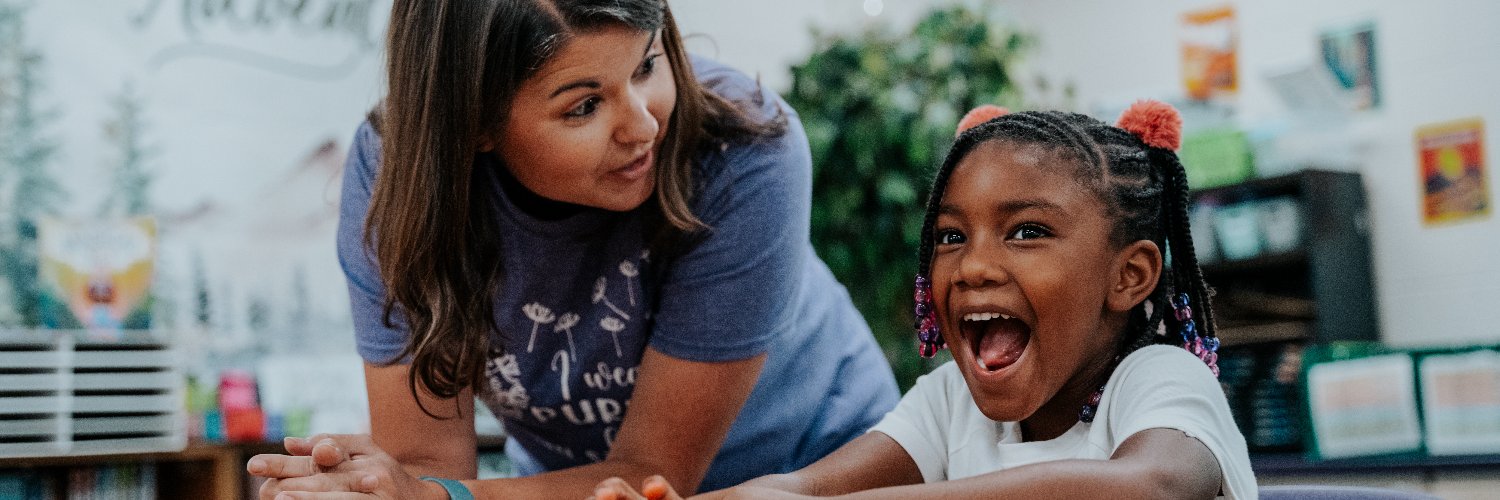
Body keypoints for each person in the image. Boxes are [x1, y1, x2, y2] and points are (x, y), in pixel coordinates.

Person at [246, 1, 899, 498]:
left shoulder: (746, 151)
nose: (643, 124)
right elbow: (431, 468)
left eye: (647, 64)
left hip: (822, 468)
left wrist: (428, 494)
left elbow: (653, 473)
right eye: (584, 105)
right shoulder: (395, 177)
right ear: (473, 121)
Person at [592, 101, 1257, 499]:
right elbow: (798, 489)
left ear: (1130, 277)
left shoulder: (1158, 380)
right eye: (949, 236)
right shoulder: (949, 403)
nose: (971, 266)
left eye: (1027, 231)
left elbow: (1150, 488)